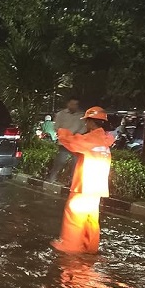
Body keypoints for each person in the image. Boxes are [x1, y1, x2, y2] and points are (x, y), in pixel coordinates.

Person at [51, 106, 115, 254]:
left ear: (92, 122)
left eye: (87, 122)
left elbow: (73, 143)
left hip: (85, 185)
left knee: (74, 216)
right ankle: (89, 247)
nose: (86, 125)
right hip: (97, 187)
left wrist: (61, 132)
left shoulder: (93, 138)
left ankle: (69, 247)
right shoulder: (105, 140)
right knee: (90, 219)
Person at [47, 97, 86, 183]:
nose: (74, 106)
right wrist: (64, 134)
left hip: (76, 143)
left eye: (76, 104)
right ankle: (52, 179)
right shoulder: (61, 114)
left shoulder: (81, 116)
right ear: (68, 104)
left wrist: (76, 135)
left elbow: (84, 128)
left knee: (75, 164)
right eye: (72, 104)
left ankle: (72, 181)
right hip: (64, 143)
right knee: (60, 161)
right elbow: (56, 127)